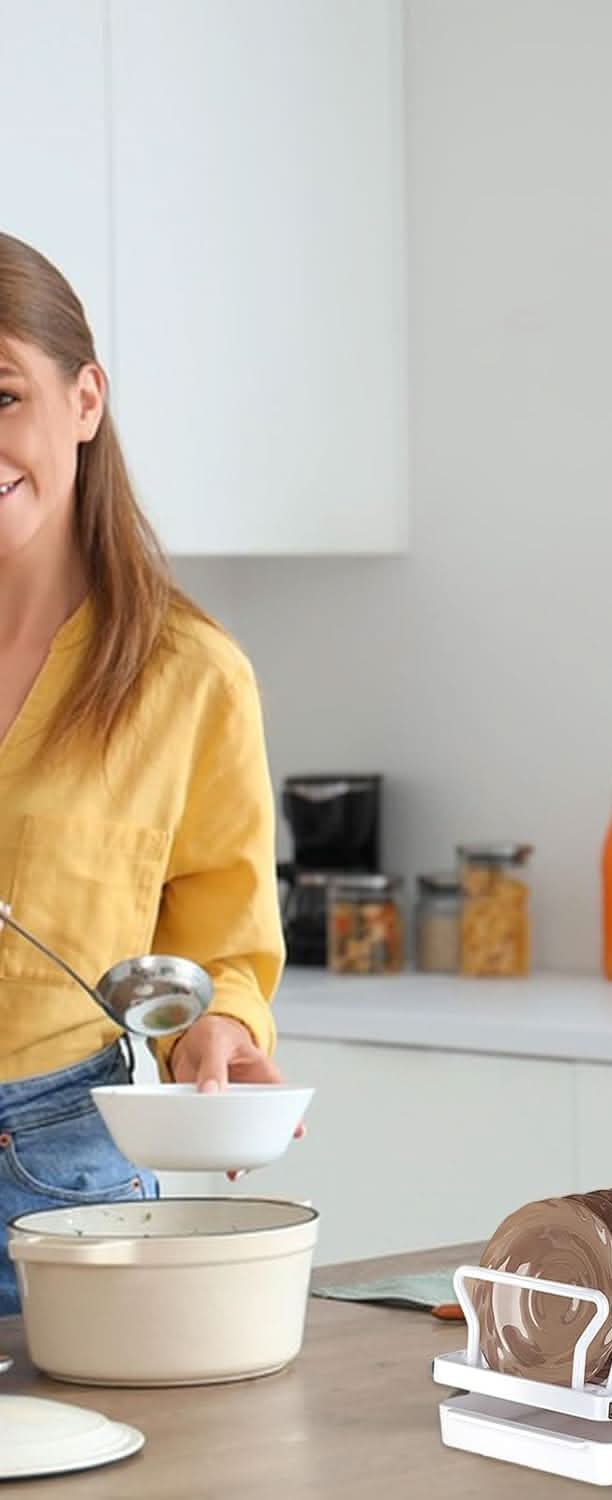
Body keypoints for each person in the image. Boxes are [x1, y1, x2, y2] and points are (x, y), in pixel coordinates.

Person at [0, 232, 290, 1315]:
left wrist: (220, 1030)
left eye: (1, 392)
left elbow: (220, 935)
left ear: (84, 398)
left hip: (54, 1170)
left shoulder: (188, 673)